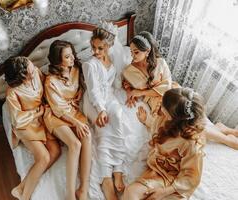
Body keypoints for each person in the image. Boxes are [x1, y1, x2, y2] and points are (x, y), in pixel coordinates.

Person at [123, 31, 238, 150]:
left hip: (173, 93)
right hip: (155, 102)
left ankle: (226, 139)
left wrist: (141, 92)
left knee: (188, 122)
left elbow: (166, 87)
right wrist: (129, 91)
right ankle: (221, 130)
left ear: (147, 51)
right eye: (131, 52)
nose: (132, 55)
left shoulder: (161, 63)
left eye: (136, 52)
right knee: (177, 126)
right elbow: (128, 85)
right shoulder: (128, 71)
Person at [123, 87, 206, 200]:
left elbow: (191, 177)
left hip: (175, 181)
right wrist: (146, 120)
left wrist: (164, 192)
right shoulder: (163, 118)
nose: (160, 105)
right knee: (130, 193)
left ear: (173, 116)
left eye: (164, 105)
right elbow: (156, 126)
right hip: (156, 170)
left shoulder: (191, 144)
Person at [4, 56, 61, 200]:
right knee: (43, 157)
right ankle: (25, 197)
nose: (34, 70)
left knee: (55, 151)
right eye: (30, 71)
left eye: (32, 66)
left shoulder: (36, 72)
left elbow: (47, 83)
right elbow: (17, 120)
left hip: (41, 118)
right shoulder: (12, 92)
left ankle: (21, 187)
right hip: (25, 124)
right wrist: (37, 113)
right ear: (22, 76)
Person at [82, 26, 128, 200]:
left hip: (108, 97)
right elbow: (93, 90)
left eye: (100, 48)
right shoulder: (89, 64)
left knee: (118, 117)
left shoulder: (112, 60)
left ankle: (117, 168)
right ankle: (106, 177)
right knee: (104, 127)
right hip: (93, 102)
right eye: (93, 47)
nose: (95, 51)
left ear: (109, 46)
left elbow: (113, 84)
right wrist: (101, 110)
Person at [43, 40, 92, 200]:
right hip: (57, 115)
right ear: (58, 61)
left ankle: (83, 189)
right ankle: (70, 195)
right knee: (74, 144)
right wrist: (76, 123)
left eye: (72, 55)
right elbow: (58, 110)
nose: (72, 59)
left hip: (73, 111)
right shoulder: (50, 81)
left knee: (87, 136)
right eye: (67, 57)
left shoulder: (76, 69)